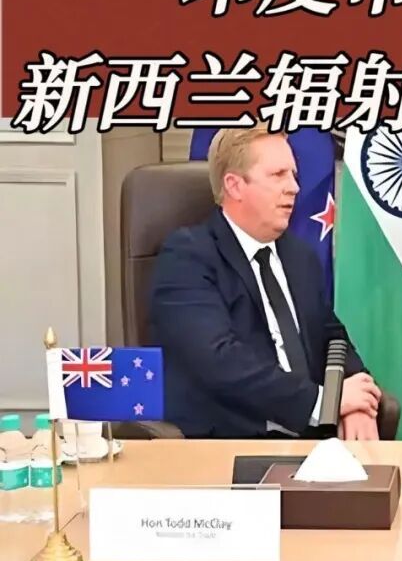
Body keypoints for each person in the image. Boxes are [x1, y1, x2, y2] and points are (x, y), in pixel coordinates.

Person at [149, 125, 382, 440]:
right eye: (278, 175)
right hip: (233, 445)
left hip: (313, 440)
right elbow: (220, 361)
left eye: (294, 175)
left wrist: (356, 401)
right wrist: (324, 402)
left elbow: (332, 338)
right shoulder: (188, 257)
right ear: (234, 186)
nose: (294, 187)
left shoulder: (299, 256)